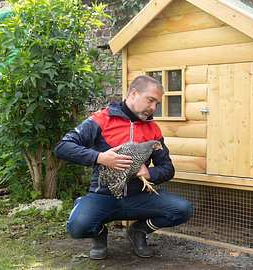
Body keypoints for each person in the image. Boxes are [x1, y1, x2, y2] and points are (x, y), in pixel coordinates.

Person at [54, 75, 193, 260]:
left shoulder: (153, 129)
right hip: (104, 196)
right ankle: (99, 234)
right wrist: (100, 157)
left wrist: (149, 172)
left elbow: (168, 169)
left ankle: (138, 231)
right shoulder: (102, 119)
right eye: (150, 100)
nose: (153, 108)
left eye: (157, 103)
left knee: (182, 209)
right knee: (78, 226)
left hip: (140, 196)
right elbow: (63, 147)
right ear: (133, 94)